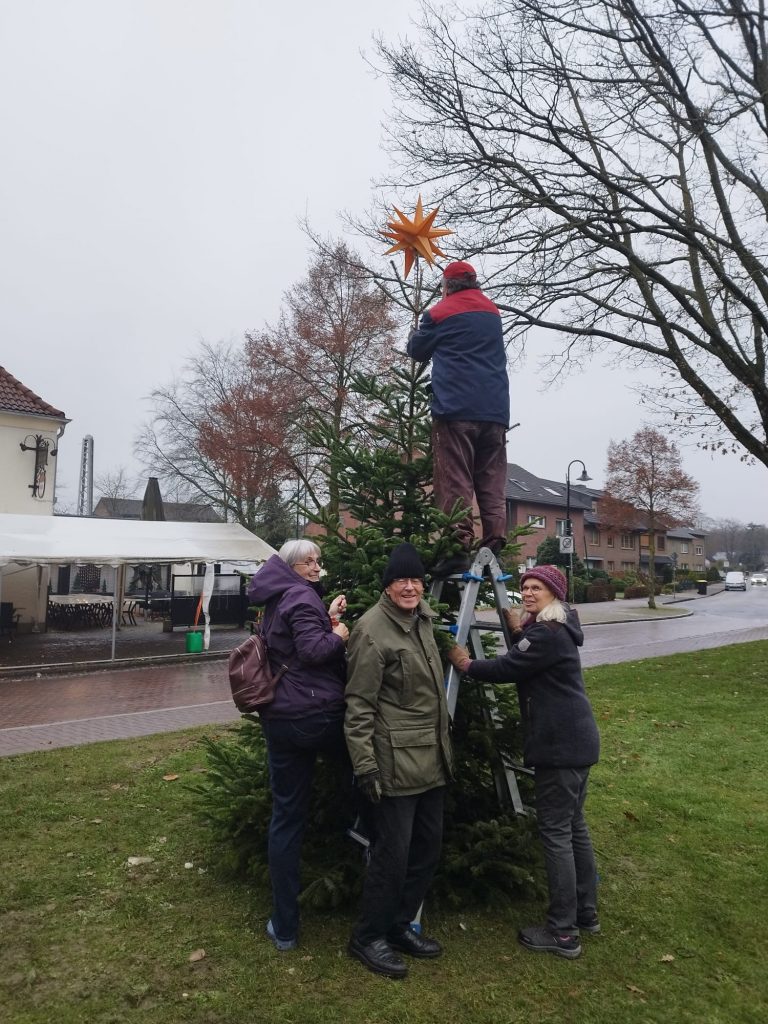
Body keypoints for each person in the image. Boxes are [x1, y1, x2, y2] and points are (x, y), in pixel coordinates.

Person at [447, 564, 600, 960]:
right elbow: (528, 653)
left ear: (555, 593)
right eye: (525, 587)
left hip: (560, 747)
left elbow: (510, 667)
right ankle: (585, 911)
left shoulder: (548, 633)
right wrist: (516, 630)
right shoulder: (555, 628)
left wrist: (466, 664)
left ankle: (563, 932)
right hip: (576, 742)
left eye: (537, 588)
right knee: (574, 826)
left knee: (556, 832)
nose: (528, 593)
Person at [344, 543, 453, 979]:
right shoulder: (371, 631)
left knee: (427, 849)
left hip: (431, 758)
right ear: (387, 586)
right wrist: (365, 765)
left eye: (415, 580)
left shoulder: (422, 618)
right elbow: (358, 706)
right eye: (400, 580)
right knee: (393, 855)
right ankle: (368, 937)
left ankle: (399, 924)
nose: (409, 587)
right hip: (393, 764)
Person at [247, 539, 349, 952]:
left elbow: (291, 639)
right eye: (312, 561)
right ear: (296, 565)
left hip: (280, 717)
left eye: (318, 561)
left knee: (286, 816)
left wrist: (325, 616)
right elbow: (312, 650)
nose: (317, 566)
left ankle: (284, 926)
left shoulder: (276, 596)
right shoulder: (302, 596)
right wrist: (338, 633)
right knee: (361, 782)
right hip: (316, 715)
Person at [407, 260, 510, 576]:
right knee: (491, 480)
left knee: (455, 480)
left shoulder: (439, 313)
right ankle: (494, 544)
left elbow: (418, 351)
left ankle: (457, 547)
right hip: (495, 412)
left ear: (447, 285)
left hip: (454, 410)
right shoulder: (492, 313)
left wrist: (416, 330)